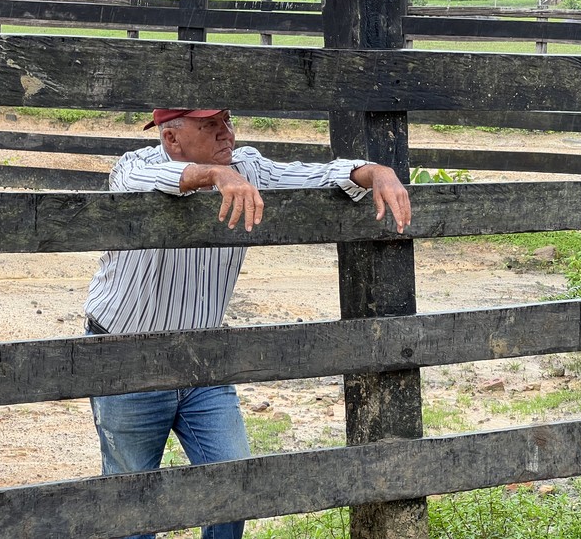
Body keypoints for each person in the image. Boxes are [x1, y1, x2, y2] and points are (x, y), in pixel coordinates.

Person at [84, 108, 411, 539]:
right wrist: (214, 177)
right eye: (208, 127)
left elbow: (314, 174)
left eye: (226, 123)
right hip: (128, 353)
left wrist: (375, 171)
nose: (225, 134)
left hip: (207, 355)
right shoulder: (136, 164)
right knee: (132, 496)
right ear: (172, 139)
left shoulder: (247, 165)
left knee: (235, 481)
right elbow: (139, 182)